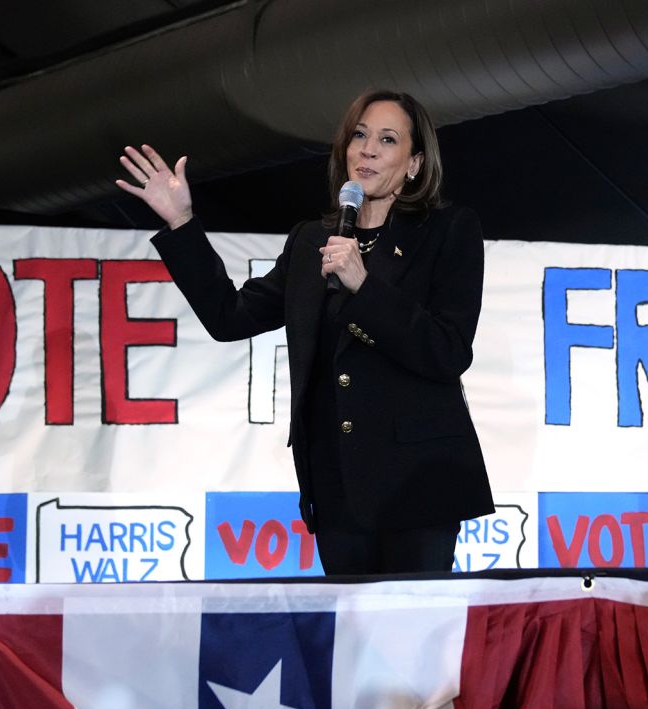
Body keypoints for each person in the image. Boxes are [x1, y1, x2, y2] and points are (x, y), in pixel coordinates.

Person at [116, 90, 493, 576]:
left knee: (413, 642)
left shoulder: (449, 231)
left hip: (417, 490)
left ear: (415, 163)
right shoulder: (312, 240)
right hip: (336, 487)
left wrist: (363, 285)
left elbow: (447, 350)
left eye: (387, 139)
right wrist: (182, 222)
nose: (368, 149)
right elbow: (231, 317)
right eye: (359, 135)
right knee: (350, 647)